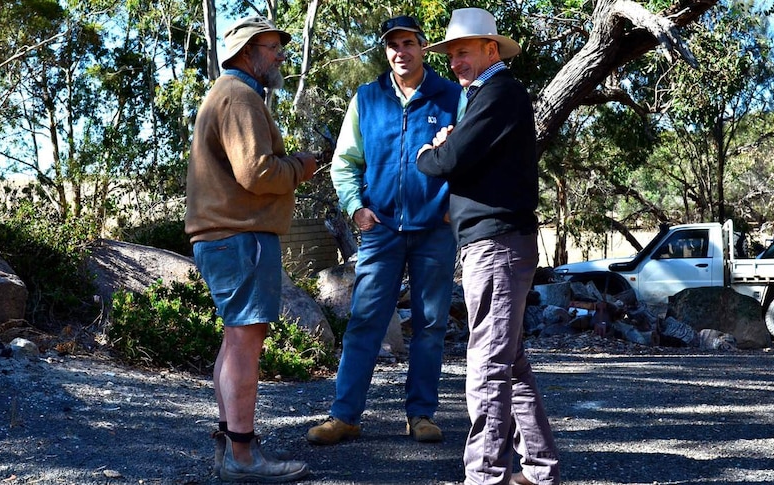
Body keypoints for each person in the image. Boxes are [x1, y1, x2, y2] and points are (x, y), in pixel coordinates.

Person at [416, 8, 561, 485]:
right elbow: (468, 157)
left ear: (490, 49)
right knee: (510, 362)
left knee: (488, 365)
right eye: (452, 53)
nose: (455, 61)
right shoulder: (486, 96)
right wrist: (452, 146)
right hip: (498, 243)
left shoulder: (498, 92)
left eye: (464, 51)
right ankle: (540, 470)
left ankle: (484, 475)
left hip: (496, 245)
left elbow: (451, 160)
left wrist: (430, 153)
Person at [305, 15, 461, 445]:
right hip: (382, 229)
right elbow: (345, 162)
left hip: (435, 231)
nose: (400, 52)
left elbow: (471, 157)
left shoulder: (450, 97)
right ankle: (345, 416)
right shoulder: (367, 98)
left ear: (423, 47)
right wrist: (356, 208)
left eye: (408, 43)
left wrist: (453, 207)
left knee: (430, 325)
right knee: (365, 321)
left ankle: (421, 415)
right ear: (385, 50)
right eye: (392, 45)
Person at [184, 15, 317, 483]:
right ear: (246, 51)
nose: (281, 53)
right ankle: (243, 456)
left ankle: (229, 444)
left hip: (222, 238)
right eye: (272, 45)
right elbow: (258, 173)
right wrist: (300, 166)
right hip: (240, 237)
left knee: (234, 339)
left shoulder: (225, 93)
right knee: (246, 343)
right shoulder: (240, 96)